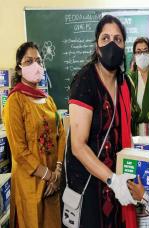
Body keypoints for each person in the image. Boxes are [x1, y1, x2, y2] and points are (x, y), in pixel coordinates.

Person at [65, 15, 137, 228]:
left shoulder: (125, 83)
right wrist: (112, 180)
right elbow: (78, 146)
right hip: (89, 187)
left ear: (124, 46)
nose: (111, 44)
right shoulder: (85, 81)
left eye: (118, 39)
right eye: (105, 38)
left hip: (117, 186)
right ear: (97, 46)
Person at [3, 41, 65, 228]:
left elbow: (61, 135)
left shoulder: (48, 100)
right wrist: (49, 175)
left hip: (52, 184)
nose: (35, 65)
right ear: (20, 69)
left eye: (38, 61)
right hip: (30, 184)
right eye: (28, 61)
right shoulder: (15, 102)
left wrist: (58, 172)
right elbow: (19, 151)